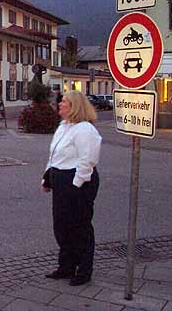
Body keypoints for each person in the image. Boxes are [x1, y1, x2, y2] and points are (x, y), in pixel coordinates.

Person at [42, 90, 101, 286]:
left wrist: (75, 185)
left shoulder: (85, 129)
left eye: (64, 102)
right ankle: (66, 266)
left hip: (78, 181)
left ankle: (84, 270)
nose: (60, 104)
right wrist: (47, 178)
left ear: (74, 106)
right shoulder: (64, 126)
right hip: (61, 179)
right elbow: (55, 155)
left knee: (79, 227)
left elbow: (87, 161)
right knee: (61, 226)